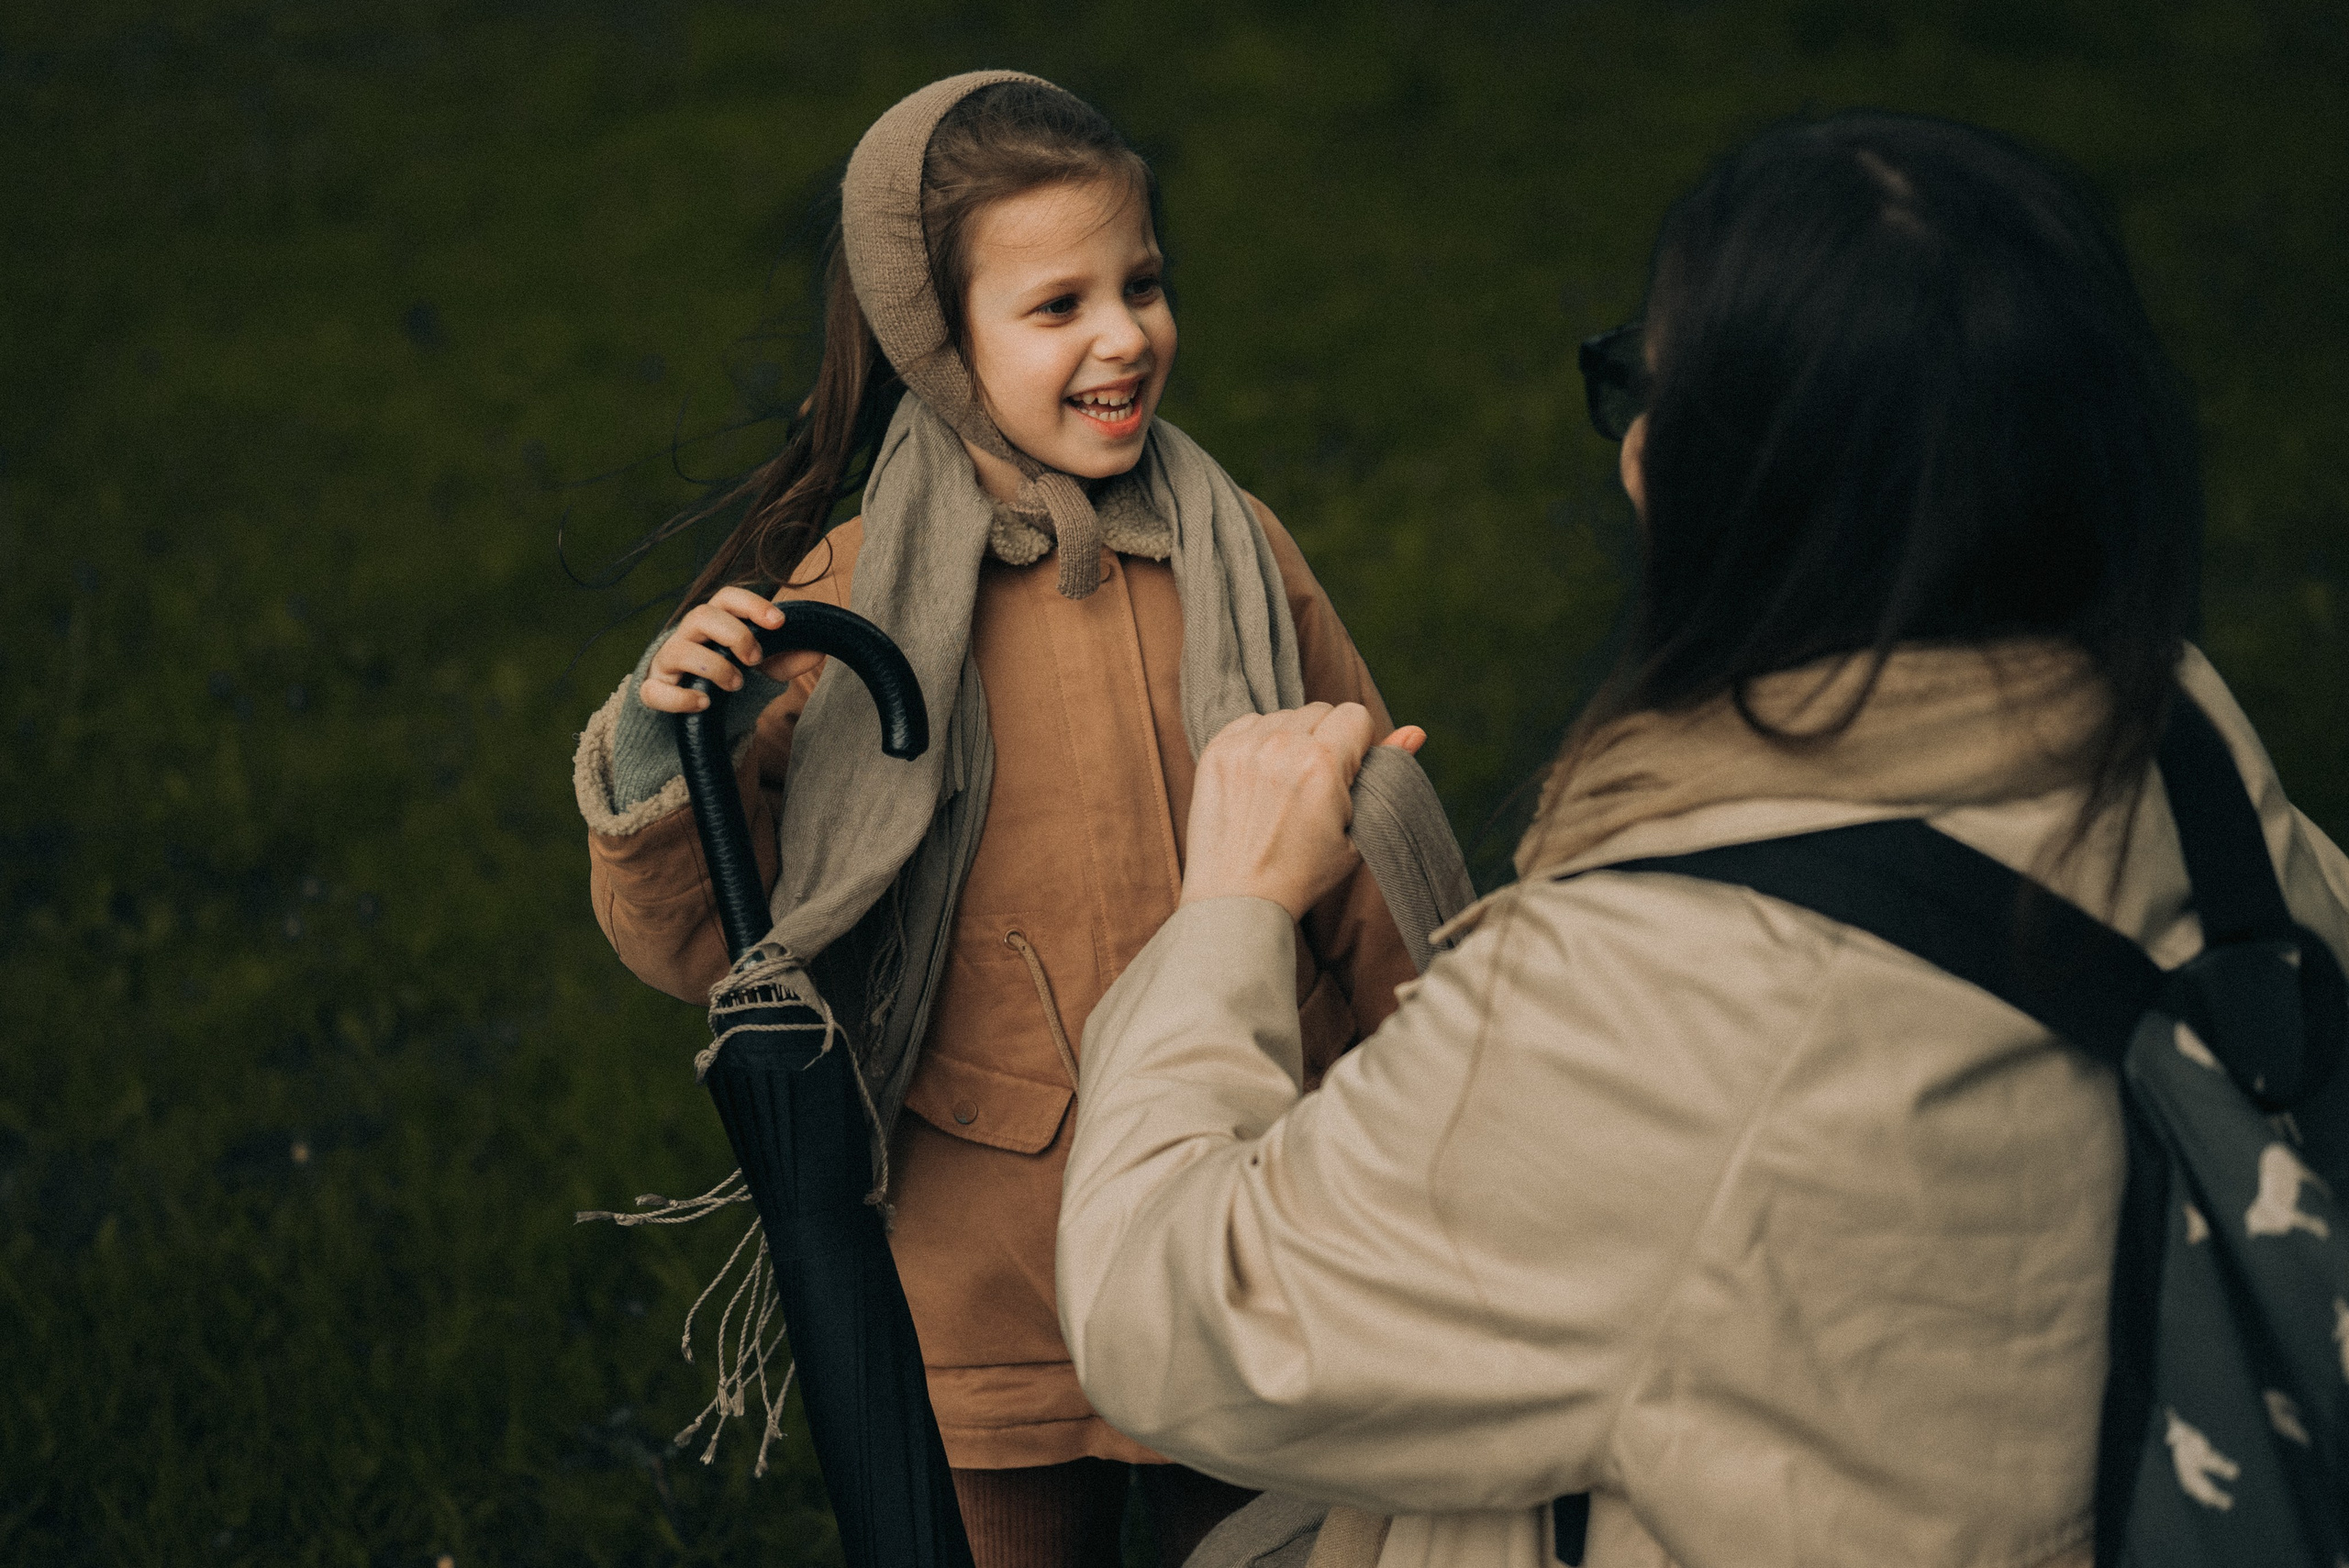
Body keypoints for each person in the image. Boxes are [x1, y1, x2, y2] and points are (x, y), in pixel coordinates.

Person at [1054, 113, 2349, 1568]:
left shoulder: (1662, 988)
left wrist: (1227, 909)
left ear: (1719, 482)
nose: (1634, 443)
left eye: (1651, 389)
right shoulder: (2176, 724)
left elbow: (1173, 1312)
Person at [569, 72, 1428, 1568]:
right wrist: (668, 745)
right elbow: (709, 944)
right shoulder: (842, 604)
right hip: (985, 1267)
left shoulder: (1236, 552)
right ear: (938, 341)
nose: (1125, 335)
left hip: (1247, 1218)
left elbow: (1361, 853)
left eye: (1141, 284)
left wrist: (1430, 1099)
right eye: (1058, 306)